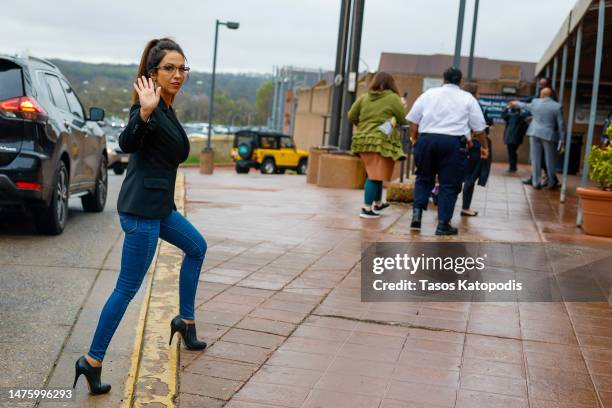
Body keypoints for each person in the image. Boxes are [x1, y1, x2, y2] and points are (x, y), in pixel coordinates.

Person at [74, 38, 208, 395]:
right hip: (141, 214)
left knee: (197, 248)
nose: (178, 74)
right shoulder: (147, 109)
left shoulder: (168, 107)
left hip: (160, 209)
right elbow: (126, 143)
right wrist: (145, 112)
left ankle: (185, 321)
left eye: (182, 68)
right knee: (127, 288)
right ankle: (92, 360)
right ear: (153, 74)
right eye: (169, 68)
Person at [406, 67, 488, 235]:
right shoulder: (467, 98)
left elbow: (413, 122)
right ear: (460, 81)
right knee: (449, 184)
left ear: (443, 79)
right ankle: (443, 224)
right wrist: (484, 147)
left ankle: (417, 217)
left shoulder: (428, 94)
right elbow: (479, 128)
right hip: (453, 143)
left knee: (423, 178)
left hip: (427, 140)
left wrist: (415, 139)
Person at [349, 71, 407, 219]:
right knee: (374, 176)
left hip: (362, 139)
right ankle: (366, 208)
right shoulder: (393, 98)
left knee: (375, 172)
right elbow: (402, 119)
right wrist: (402, 106)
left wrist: (363, 126)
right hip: (380, 140)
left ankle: (378, 203)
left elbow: (351, 115)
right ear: (391, 84)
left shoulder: (364, 97)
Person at [510, 87, 565, 190]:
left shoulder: (535, 102)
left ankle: (536, 182)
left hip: (534, 132)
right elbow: (561, 125)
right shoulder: (557, 106)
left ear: (542, 94)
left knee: (535, 159)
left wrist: (516, 103)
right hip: (548, 135)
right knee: (550, 160)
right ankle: (551, 182)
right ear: (551, 95)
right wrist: (562, 140)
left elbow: (525, 106)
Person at [461, 83, 493, 217]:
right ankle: (465, 207)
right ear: (475, 93)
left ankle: (438, 196)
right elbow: (484, 123)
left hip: (457, 142)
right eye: (478, 93)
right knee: (471, 176)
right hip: (474, 144)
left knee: (449, 175)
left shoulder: (457, 103)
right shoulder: (476, 105)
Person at [502, 105, 530, 173]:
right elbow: (525, 127)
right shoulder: (522, 117)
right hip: (517, 138)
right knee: (513, 152)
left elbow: (503, 115)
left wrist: (507, 107)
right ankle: (513, 167)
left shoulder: (511, 116)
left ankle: (512, 167)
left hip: (510, 137)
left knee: (511, 153)